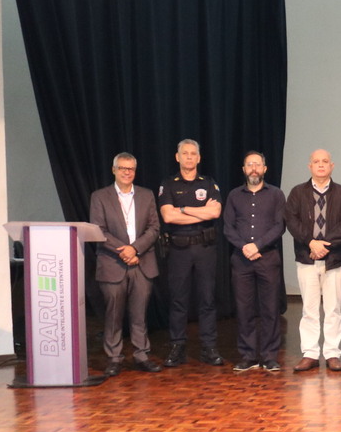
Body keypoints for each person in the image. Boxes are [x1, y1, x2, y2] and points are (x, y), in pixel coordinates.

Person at [88, 152, 162, 376]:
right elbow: (98, 230)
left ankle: (141, 355)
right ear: (114, 170)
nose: (127, 172)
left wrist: (136, 248)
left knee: (139, 314)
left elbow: (154, 228)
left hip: (142, 262)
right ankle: (114, 358)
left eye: (130, 169)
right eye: (122, 168)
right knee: (113, 315)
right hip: (113, 263)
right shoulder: (99, 196)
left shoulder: (147, 195)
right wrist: (125, 251)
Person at [285, 149, 341, 373]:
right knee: (309, 308)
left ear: (332, 166)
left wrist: (324, 245)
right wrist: (311, 243)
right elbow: (292, 221)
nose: (321, 165)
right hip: (306, 258)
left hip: (333, 258)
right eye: (316, 161)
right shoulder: (297, 193)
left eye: (325, 161)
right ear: (310, 166)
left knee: (333, 308)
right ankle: (310, 353)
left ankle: (332, 353)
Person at [157, 139, 223, 368]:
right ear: (178, 157)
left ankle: (208, 347)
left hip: (205, 248)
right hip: (179, 249)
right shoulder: (169, 184)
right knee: (178, 300)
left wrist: (183, 209)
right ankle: (177, 346)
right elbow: (168, 216)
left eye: (193, 153)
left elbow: (215, 213)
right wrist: (200, 212)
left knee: (207, 299)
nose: (188, 157)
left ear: (199, 158)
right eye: (184, 153)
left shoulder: (208, 182)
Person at [223, 151, 286, 372]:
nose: (253, 168)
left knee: (270, 309)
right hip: (241, 260)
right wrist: (244, 247)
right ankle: (248, 355)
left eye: (257, 164)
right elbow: (228, 228)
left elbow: (279, 226)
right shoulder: (234, 196)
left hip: (267, 258)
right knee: (244, 309)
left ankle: (269, 356)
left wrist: (257, 245)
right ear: (243, 169)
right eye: (249, 164)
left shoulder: (276, 195)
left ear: (265, 169)